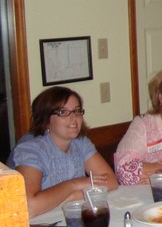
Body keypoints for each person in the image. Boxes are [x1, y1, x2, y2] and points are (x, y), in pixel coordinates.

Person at [7, 86, 118, 217]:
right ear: (46, 119)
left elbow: (111, 181)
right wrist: (73, 185)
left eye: (77, 111)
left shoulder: (80, 142)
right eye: (63, 112)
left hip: (67, 215)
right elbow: (29, 206)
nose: (74, 118)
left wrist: (72, 196)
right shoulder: (31, 149)